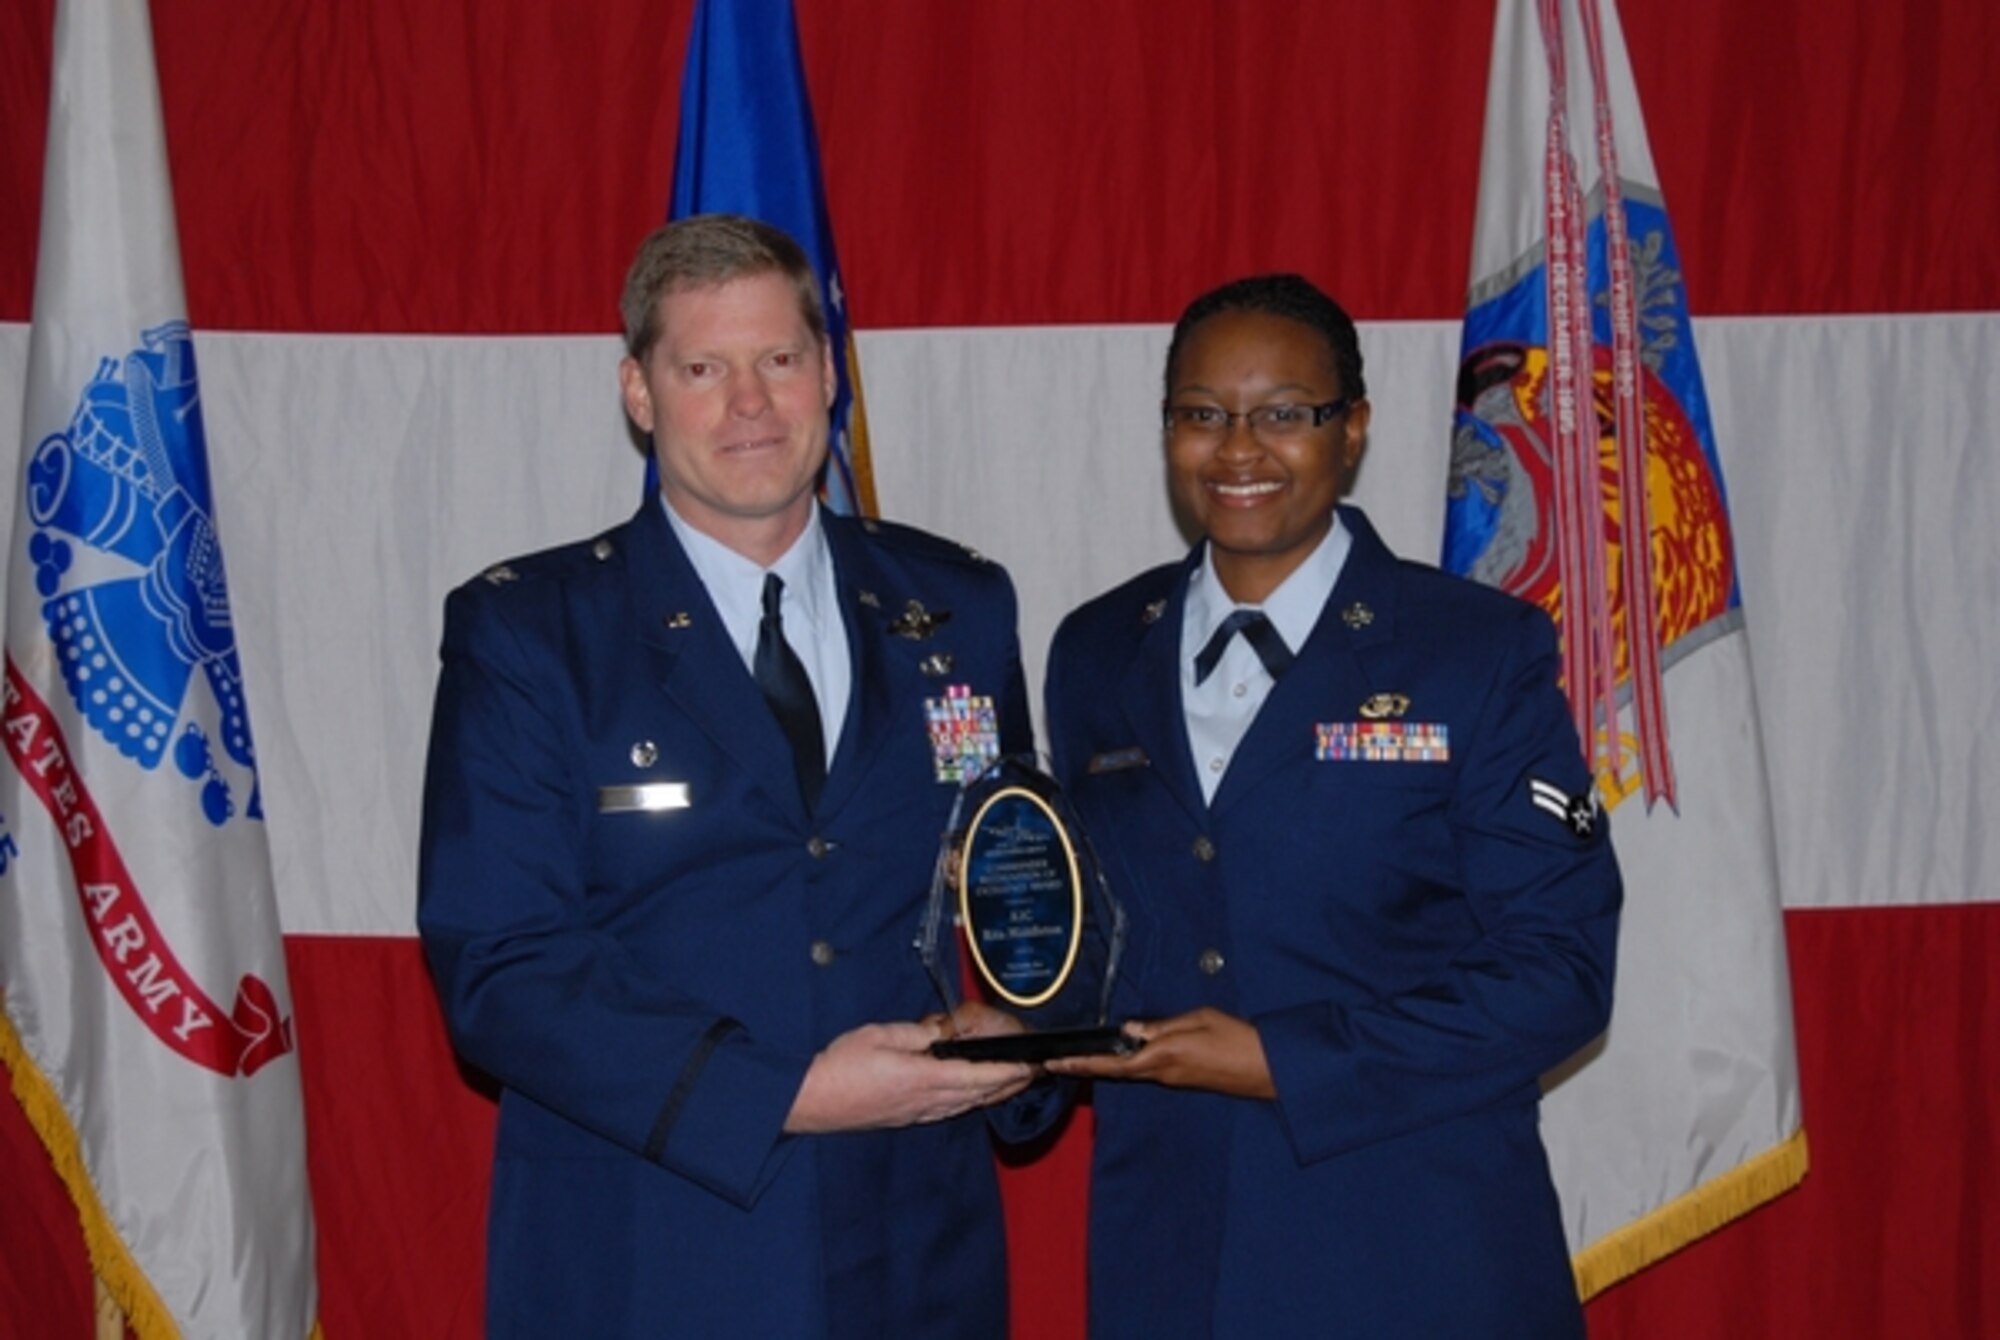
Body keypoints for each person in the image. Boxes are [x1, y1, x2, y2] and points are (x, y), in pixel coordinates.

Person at [418, 214, 1047, 1338]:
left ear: (829, 373)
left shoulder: (957, 605)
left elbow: (1011, 883)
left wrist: (1028, 1034)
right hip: (650, 1255)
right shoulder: (530, 633)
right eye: (702, 368)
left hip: (916, 1257)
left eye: (780, 360)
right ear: (638, 392)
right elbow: (501, 964)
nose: (749, 404)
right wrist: (790, 1096)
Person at [1043, 274, 1621, 1338]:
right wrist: (1014, 1023)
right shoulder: (1094, 647)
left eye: (1282, 412)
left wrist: (1285, 1061)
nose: (1238, 448)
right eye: (1200, 412)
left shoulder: (1473, 651)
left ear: (1349, 428)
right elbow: (1091, 929)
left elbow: (1558, 973)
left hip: (1409, 1249)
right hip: (1166, 1255)